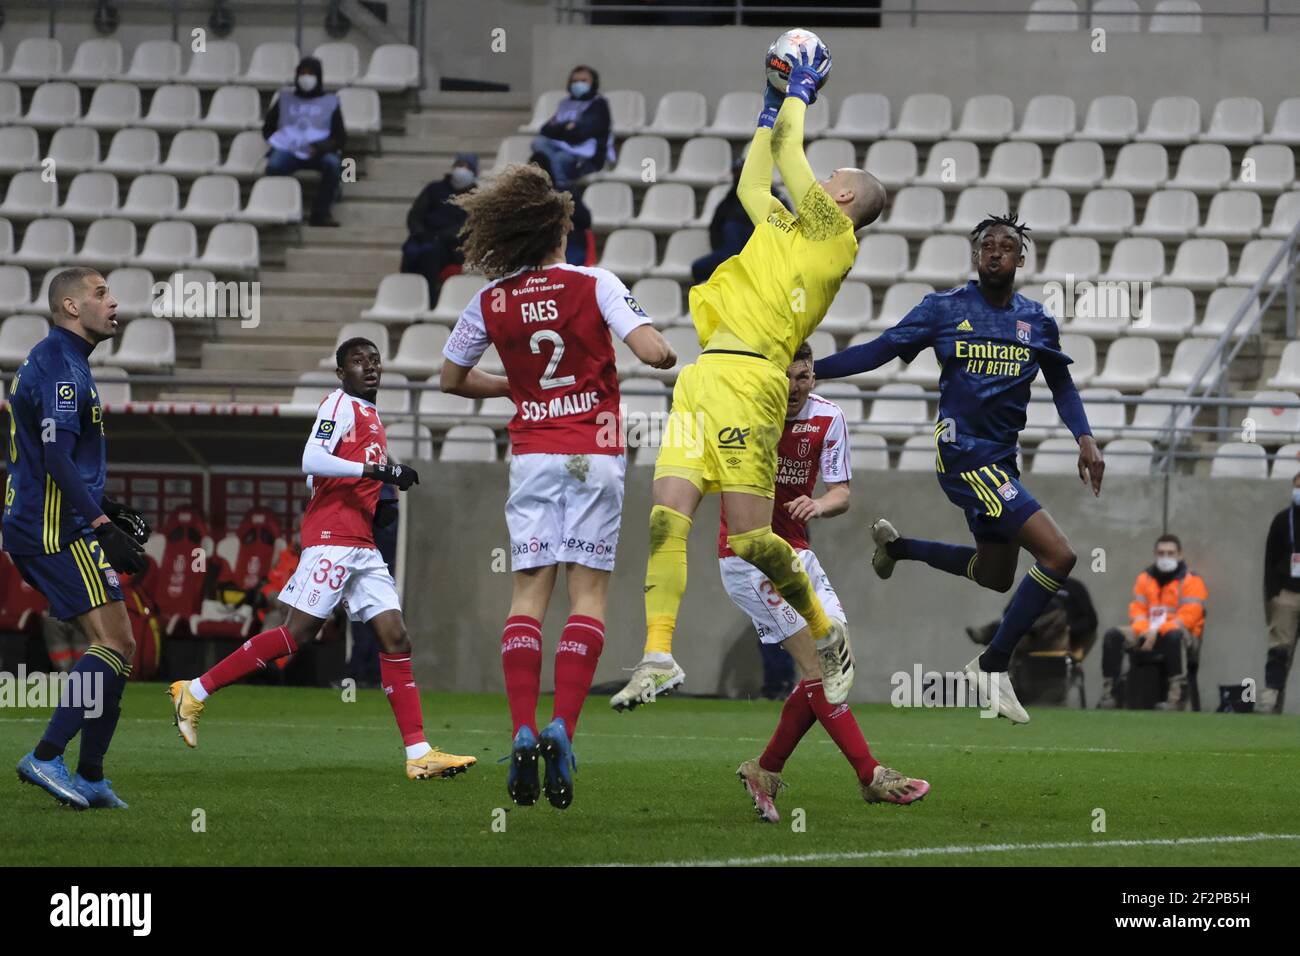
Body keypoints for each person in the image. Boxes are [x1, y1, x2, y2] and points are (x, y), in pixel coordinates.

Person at [609, 43, 886, 712]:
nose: (824, 177)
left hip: (753, 380)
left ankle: (826, 633)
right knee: (665, 518)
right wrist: (767, 112)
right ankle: (658, 655)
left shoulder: (834, 236)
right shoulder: (789, 229)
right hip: (704, 375)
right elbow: (752, 188)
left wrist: (799, 93)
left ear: (844, 195)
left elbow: (791, 154)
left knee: (753, 540)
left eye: (833, 175)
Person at [439, 162, 675, 810]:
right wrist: (661, 348)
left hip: (533, 456)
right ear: (559, 229)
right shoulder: (595, 282)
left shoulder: (491, 299)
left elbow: (450, 379)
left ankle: (521, 725)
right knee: (588, 595)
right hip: (593, 454)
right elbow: (654, 351)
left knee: (527, 595)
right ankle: (562, 728)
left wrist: (516, 387)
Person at [814, 213, 1104, 724]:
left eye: (1006, 246)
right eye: (987, 245)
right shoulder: (943, 309)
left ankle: (899, 549)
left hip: (1002, 459)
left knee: (996, 575)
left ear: (1020, 259)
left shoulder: (1036, 320)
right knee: (1059, 555)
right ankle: (992, 665)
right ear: (975, 256)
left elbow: (1060, 383)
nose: (995, 253)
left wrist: (1085, 438)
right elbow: (881, 349)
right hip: (962, 453)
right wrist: (814, 370)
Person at [167, 338, 477, 781]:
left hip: (361, 542)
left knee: (395, 638)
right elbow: (311, 459)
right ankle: (195, 690)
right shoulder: (338, 404)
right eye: (358, 361)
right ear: (341, 373)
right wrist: (377, 472)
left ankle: (418, 752)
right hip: (332, 538)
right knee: (296, 634)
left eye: (374, 360)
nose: (369, 367)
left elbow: (327, 474)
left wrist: (380, 498)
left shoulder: (370, 415)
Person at [726, 342, 929, 820]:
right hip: (750, 558)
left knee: (836, 658)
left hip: (798, 553)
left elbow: (842, 493)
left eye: (803, 376)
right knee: (821, 669)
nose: (794, 387)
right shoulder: (748, 414)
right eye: (786, 377)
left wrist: (818, 504)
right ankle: (871, 776)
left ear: (813, 378)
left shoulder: (827, 417)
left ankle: (765, 770)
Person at [9, 267, 150, 810]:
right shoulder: (63, 369)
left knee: (121, 646)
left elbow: (55, 457)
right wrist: (100, 525)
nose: (113, 303)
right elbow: (56, 459)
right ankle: (47, 755)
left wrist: (106, 505)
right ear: (71, 306)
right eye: (101, 293)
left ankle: (90, 773)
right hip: (54, 528)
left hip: (49, 519)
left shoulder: (59, 361)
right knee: (113, 644)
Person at [1098, 534, 1207, 710]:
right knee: (1113, 636)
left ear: (1180, 555)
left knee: (1173, 636)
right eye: (1161, 553)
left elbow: (1189, 617)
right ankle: (1112, 694)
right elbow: (1137, 611)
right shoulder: (1145, 578)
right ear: (1155, 554)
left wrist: (1156, 631)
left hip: (1181, 635)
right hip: (1146, 632)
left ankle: (1176, 698)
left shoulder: (1192, 580)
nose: (1165, 557)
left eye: (1170, 553)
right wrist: (1145, 631)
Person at [263, 56, 346, 227]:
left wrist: (319, 147)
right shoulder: (285, 100)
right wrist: (284, 141)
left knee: (333, 164)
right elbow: (268, 129)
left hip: (318, 152)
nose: (305, 78)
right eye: (302, 73)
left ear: (318, 76)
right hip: (289, 150)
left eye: (310, 73)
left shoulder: (330, 102)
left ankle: (320, 214)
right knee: (274, 166)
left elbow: (340, 137)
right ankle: (282, 209)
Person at [400, 152, 478, 302]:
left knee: (431, 255)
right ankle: (407, 296)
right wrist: (420, 232)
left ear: (473, 172)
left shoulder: (476, 196)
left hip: (451, 246)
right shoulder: (434, 189)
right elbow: (415, 215)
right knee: (411, 251)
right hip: (424, 238)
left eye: (466, 166)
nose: (461, 169)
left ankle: (429, 300)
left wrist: (442, 237)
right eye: (459, 165)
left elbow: (468, 225)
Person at [530, 65, 614, 192]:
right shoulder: (565, 104)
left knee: (557, 160)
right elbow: (545, 130)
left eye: (583, 81)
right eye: (575, 81)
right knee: (539, 142)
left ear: (593, 83)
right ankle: (560, 186)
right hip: (561, 149)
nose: (578, 84)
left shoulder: (599, 105)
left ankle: (560, 188)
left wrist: (561, 128)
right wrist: (566, 126)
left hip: (586, 157)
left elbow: (580, 134)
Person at [1260, 473, 1300, 713]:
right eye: (1297, 486)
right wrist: (1273, 593)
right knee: (1279, 649)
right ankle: (1271, 700)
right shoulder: (1282, 520)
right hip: (1286, 594)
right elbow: (1270, 558)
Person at [692, 158, 759, 284]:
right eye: (736, 172)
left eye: (742, 172)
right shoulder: (728, 201)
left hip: (758, 254)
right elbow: (715, 229)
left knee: (732, 228)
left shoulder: (770, 196)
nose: (739, 176)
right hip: (729, 253)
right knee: (698, 267)